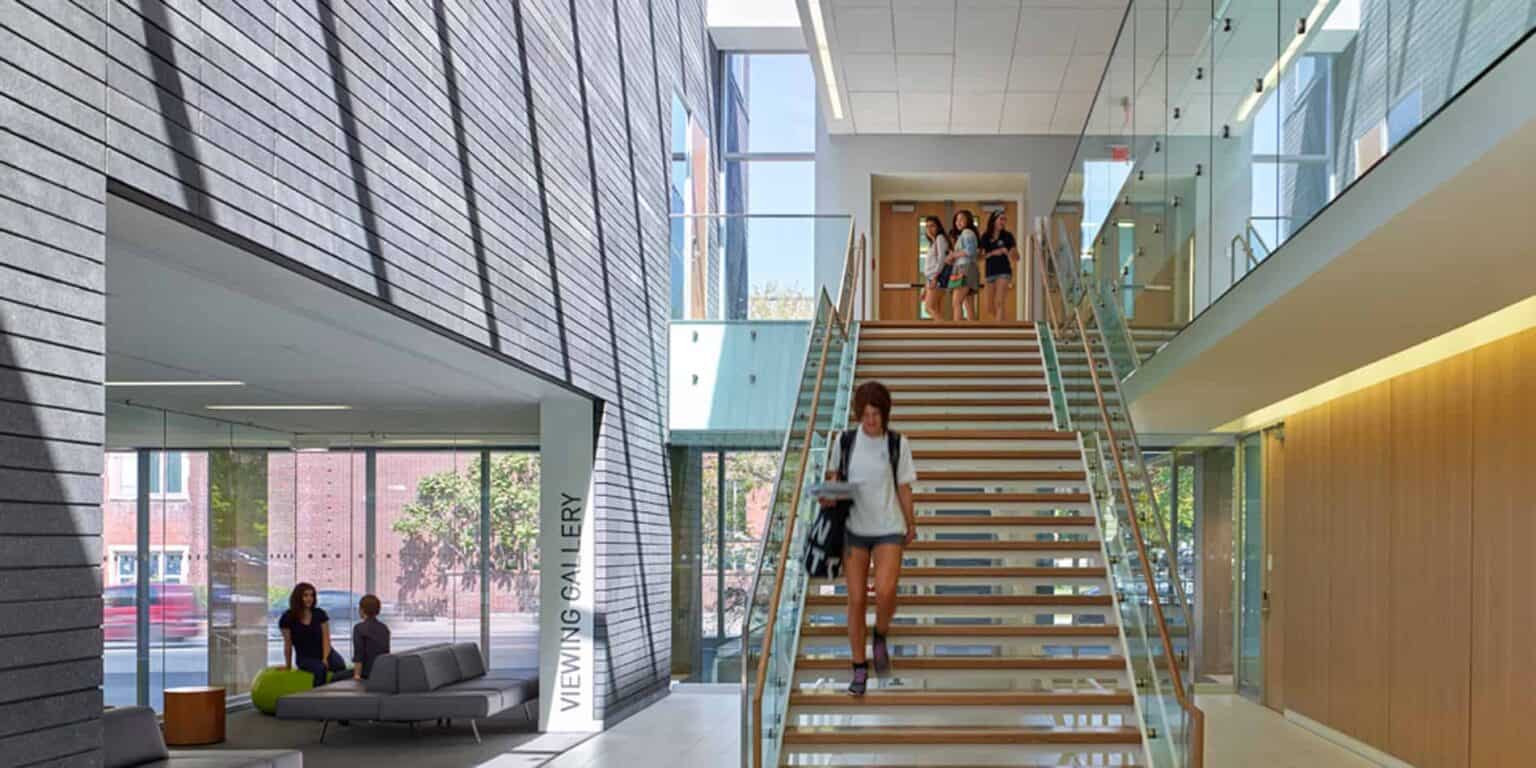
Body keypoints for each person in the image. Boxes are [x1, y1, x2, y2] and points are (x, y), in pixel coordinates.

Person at [819, 381, 917, 696]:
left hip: (889, 526)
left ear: (885, 414)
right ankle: (859, 667)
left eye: (875, 414)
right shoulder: (845, 442)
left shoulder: (898, 444)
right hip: (853, 530)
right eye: (865, 414)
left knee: (886, 592)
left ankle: (881, 634)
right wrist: (828, 497)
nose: (870, 420)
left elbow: (904, 487)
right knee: (857, 599)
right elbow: (835, 480)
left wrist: (911, 522)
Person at [279, 583, 348, 688]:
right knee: (320, 669)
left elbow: (326, 639)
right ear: (298, 597)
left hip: (325, 652)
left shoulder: (320, 614)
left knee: (340, 665)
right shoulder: (287, 618)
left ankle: (335, 693)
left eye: (312, 595)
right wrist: (288, 665)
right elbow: (288, 644)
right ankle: (317, 698)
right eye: (305, 595)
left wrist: (325, 658)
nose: (309, 598)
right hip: (305, 657)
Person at [979, 210, 1019, 322]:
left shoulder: (1008, 236)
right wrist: (992, 253)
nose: (1003, 221)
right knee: (989, 307)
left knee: (999, 302)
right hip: (990, 272)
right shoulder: (985, 236)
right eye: (1001, 219)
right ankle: (1004, 323)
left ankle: (1000, 329)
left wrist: (1009, 252)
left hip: (1004, 271)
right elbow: (980, 257)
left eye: (1005, 219)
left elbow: (1017, 257)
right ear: (994, 220)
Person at [948, 210, 981, 321]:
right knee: (968, 304)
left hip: (964, 268)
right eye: (957, 219)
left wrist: (953, 255)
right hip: (966, 267)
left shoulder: (967, 232)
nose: (958, 222)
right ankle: (973, 333)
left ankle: (957, 333)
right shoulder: (966, 233)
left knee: (956, 302)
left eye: (962, 219)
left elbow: (970, 251)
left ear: (968, 220)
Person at [351, 594, 391, 681]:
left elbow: (359, 654)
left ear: (362, 610)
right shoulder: (384, 628)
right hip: (382, 672)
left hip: (366, 673)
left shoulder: (359, 628)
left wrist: (357, 676)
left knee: (335, 677)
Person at [920, 216, 949, 320]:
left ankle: (946, 332)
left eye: (932, 226)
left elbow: (942, 259)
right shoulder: (933, 243)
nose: (929, 229)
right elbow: (930, 266)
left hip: (936, 278)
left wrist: (935, 278)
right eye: (927, 226)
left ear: (938, 227)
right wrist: (925, 288)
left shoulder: (940, 238)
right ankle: (941, 333)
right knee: (936, 308)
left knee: (929, 308)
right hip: (931, 278)